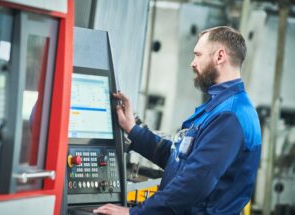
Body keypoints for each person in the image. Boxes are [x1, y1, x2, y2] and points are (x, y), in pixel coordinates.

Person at [94, 26, 261, 215]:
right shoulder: (222, 108)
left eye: (198, 55)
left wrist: (133, 213)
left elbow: (195, 183)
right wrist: (132, 129)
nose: (193, 63)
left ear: (220, 56)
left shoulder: (229, 115)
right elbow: (180, 160)